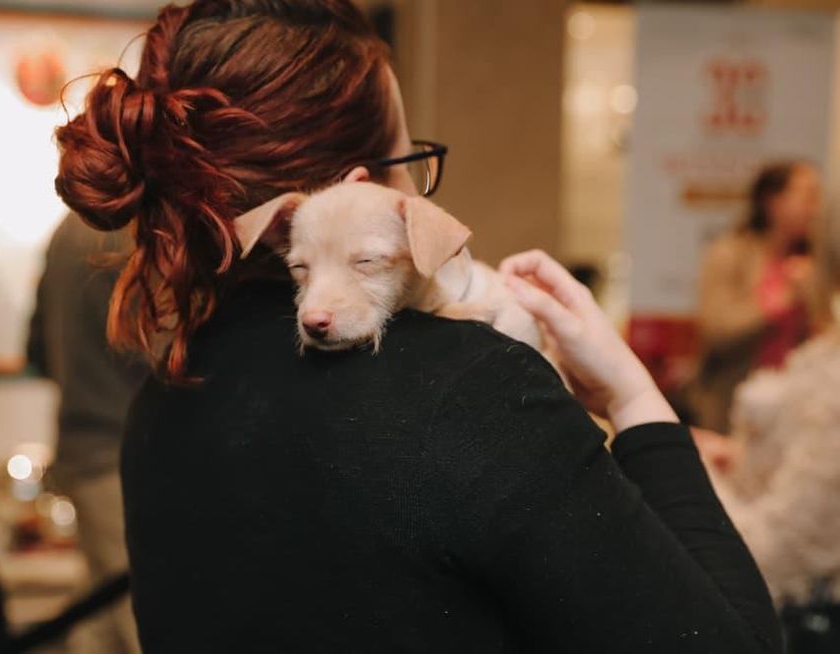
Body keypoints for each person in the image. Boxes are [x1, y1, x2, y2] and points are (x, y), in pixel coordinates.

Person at [54, 3, 781, 652]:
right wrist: (635, 400)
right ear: (356, 191)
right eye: (411, 161)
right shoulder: (474, 391)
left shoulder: (162, 404)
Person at [693, 208, 840, 608]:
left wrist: (693, 475)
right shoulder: (733, 254)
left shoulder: (830, 382)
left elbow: (772, 553)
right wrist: (738, 458)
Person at [27, 213, 148, 653]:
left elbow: (35, 348)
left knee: (100, 620)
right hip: (123, 454)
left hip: (85, 449)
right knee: (140, 624)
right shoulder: (136, 233)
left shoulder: (67, 229)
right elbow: (164, 353)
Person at [690, 161, 823, 431]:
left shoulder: (816, 261)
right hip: (735, 403)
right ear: (773, 202)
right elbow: (717, 330)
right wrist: (783, 300)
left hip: (801, 407)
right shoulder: (731, 252)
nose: (815, 209)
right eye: (807, 197)